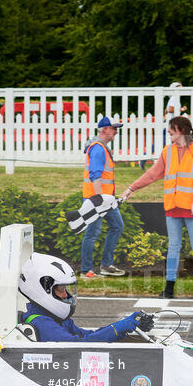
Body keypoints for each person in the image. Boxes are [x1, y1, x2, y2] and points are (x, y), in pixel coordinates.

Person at [122, 115, 193, 300]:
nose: (169, 132)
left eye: (171, 129)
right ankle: (168, 289)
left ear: (181, 130)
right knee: (173, 247)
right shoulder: (167, 151)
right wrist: (131, 188)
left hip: (192, 208)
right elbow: (152, 174)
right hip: (173, 207)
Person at [19, 252, 147, 342]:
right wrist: (116, 328)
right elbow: (81, 345)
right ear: (41, 289)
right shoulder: (41, 322)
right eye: (62, 290)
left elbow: (86, 335)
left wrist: (121, 328)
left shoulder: (56, 318)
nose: (66, 295)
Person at [81, 116, 126, 279]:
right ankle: (86, 270)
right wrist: (99, 200)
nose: (116, 132)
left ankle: (106, 265)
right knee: (92, 234)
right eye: (114, 128)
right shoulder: (98, 148)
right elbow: (95, 175)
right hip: (97, 199)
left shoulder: (101, 147)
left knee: (117, 226)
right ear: (105, 130)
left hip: (106, 200)